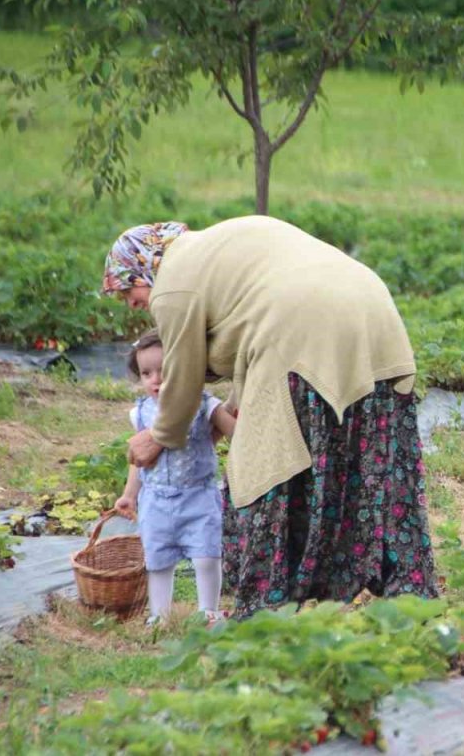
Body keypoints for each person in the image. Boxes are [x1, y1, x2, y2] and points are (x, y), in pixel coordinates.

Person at [102, 216, 439, 620]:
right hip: (372, 308)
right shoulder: (218, 245)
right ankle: (407, 594)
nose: (130, 302)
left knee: (266, 463)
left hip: (306, 326)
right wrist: (235, 401)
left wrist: (159, 435)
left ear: (142, 264)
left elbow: (183, 370)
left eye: (127, 288)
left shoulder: (171, 280)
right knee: (368, 461)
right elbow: (255, 320)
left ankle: (269, 608)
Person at [114, 331, 236, 625]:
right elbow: (139, 460)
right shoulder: (140, 413)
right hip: (156, 499)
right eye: (146, 373)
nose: (155, 379)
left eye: (164, 371)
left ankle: (208, 610)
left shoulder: (204, 404)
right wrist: (129, 495)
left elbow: (237, 434)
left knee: (207, 555)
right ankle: (160, 614)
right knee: (158, 560)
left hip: (199, 496)